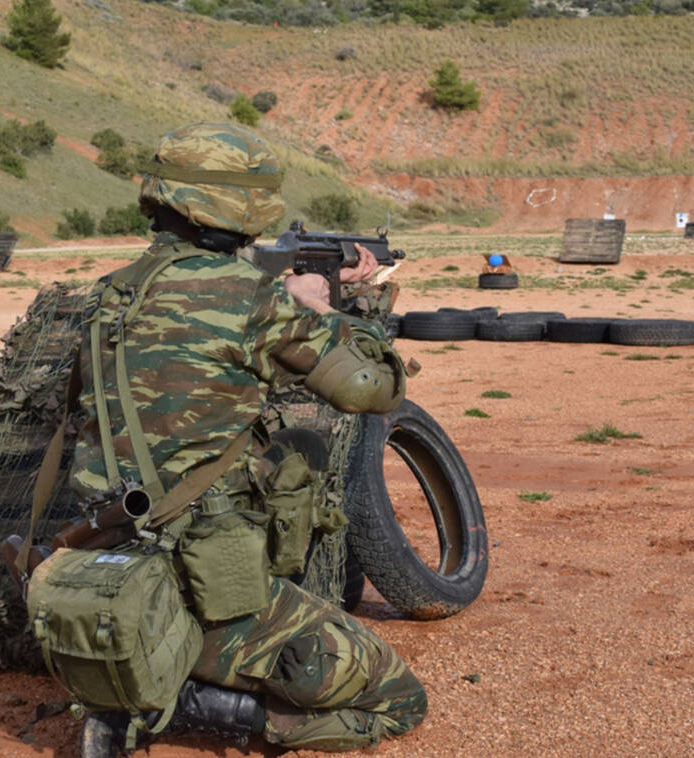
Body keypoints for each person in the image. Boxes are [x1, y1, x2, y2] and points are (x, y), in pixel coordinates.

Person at [64, 122, 426, 756]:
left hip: (101, 567)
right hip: (204, 587)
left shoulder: (110, 293)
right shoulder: (254, 301)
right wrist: (322, 307)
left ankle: (145, 675)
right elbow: (372, 390)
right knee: (399, 701)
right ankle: (179, 707)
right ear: (247, 208)